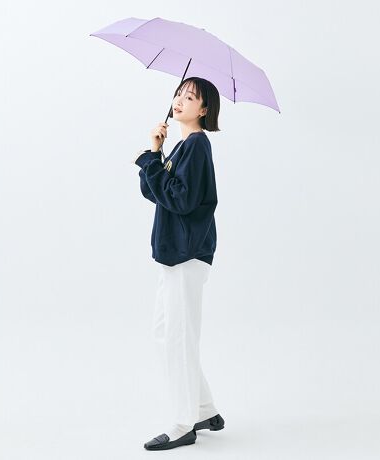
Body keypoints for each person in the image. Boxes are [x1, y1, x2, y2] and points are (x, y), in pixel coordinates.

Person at [132, 77, 225, 450]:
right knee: (166, 332)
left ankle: (183, 423)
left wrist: (153, 163)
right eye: (179, 94)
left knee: (177, 337)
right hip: (176, 253)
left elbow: (181, 200)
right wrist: (155, 153)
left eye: (191, 97)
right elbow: (155, 192)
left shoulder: (198, 146)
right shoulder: (183, 147)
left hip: (187, 253)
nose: (180, 100)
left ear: (204, 110)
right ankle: (204, 409)